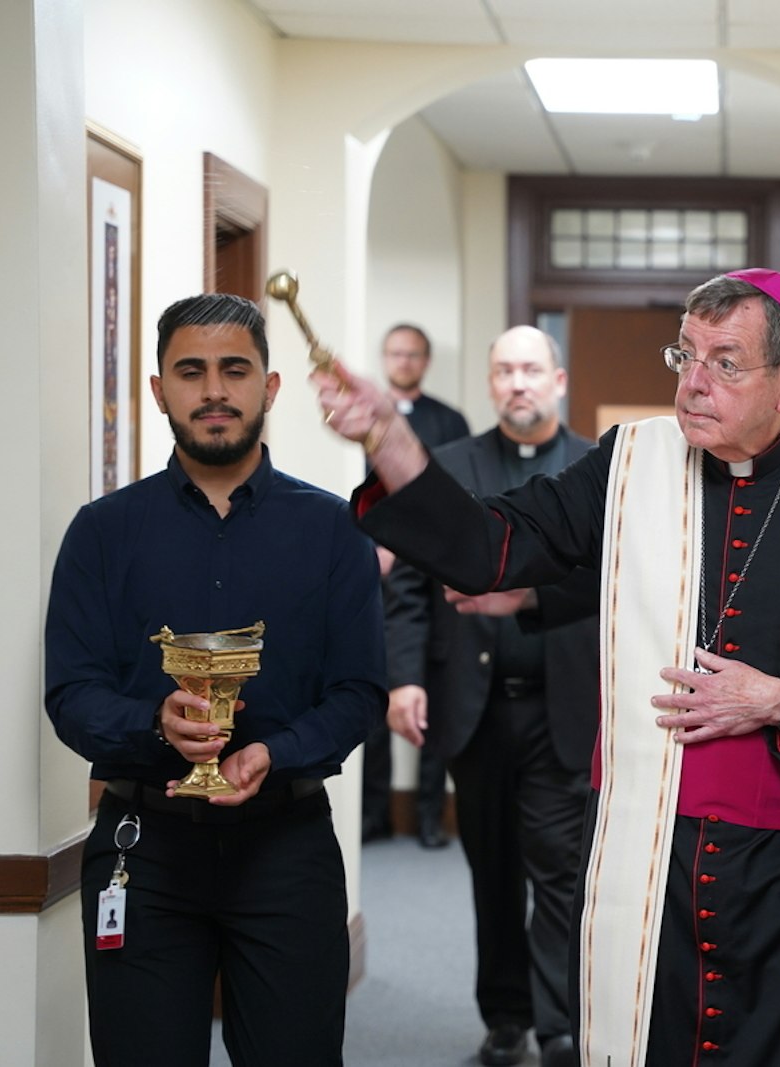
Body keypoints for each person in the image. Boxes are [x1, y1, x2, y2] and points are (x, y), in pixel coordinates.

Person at [315, 268, 780, 1066]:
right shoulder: (631, 461)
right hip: (653, 856)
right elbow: (492, 545)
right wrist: (390, 443)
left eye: (724, 362)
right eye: (685, 357)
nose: (694, 384)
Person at [44, 293, 387, 1067]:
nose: (214, 391)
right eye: (191, 372)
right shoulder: (102, 533)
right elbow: (71, 693)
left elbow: (360, 691)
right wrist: (152, 725)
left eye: (235, 370)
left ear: (269, 388)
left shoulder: (334, 529)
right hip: (144, 849)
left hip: (286, 847)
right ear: (159, 389)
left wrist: (278, 752)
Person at [384, 325, 598, 1067]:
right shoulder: (447, 467)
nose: (518, 383)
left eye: (531, 369)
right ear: (488, 382)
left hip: (564, 705)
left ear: (559, 380)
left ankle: (560, 1021)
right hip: (471, 705)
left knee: (561, 870)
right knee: (493, 871)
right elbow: (408, 584)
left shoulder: (595, 469)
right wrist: (405, 676)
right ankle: (506, 1018)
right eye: (504, 369)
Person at [362, 322, 471, 847]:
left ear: (425, 362)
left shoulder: (449, 420)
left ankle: (430, 815)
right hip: (373, 575)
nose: (403, 361)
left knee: (430, 692)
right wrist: (374, 547)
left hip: (435, 574)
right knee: (372, 693)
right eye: (395, 352)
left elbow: (457, 496)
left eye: (412, 354)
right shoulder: (363, 415)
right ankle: (373, 814)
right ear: (385, 357)